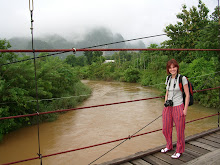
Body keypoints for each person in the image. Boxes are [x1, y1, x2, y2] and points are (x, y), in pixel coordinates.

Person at [161, 59, 189, 159]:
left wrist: (185, 109)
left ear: (177, 67)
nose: (172, 69)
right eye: (170, 67)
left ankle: (179, 150)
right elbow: (167, 92)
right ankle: (169, 146)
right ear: (168, 69)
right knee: (165, 128)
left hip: (178, 106)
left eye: (174, 67)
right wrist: (165, 102)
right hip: (168, 107)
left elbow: (187, 94)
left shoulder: (182, 78)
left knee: (180, 130)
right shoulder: (168, 78)